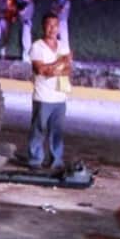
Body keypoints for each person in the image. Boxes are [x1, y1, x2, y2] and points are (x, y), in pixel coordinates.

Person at [28, 11, 72, 170]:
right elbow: (40, 70)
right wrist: (58, 62)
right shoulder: (37, 46)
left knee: (57, 133)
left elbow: (68, 70)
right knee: (38, 131)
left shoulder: (63, 45)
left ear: (59, 28)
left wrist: (52, 69)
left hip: (60, 98)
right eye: (49, 25)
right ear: (43, 27)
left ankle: (56, 161)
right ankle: (35, 161)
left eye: (55, 25)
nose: (52, 29)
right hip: (42, 97)